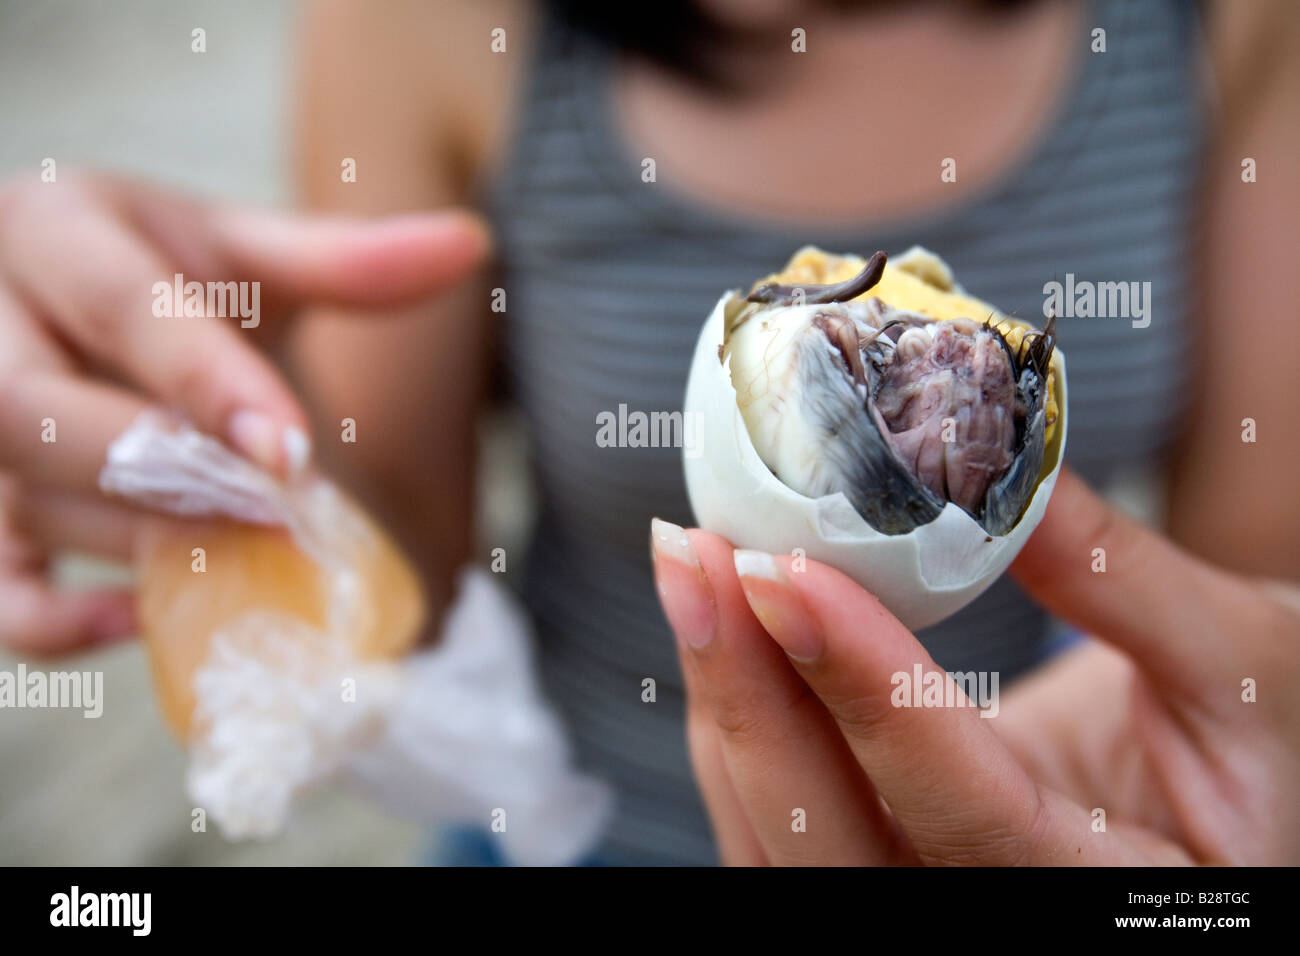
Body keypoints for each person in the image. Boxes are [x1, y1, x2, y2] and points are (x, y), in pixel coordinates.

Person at [0, 0, 1296, 865]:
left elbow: (1242, 581)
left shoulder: (1223, 23)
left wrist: (1139, 752)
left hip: (1062, 808)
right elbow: (398, 541)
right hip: (574, 826)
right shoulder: (440, 24)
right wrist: (203, 417)